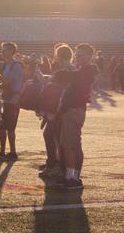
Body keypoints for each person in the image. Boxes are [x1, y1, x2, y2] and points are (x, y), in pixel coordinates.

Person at [57, 43, 99, 189]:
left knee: (72, 144)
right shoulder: (80, 69)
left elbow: (78, 82)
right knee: (66, 144)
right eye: (77, 54)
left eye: (81, 55)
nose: (78, 57)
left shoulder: (88, 69)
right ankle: (69, 175)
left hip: (76, 109)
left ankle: (74, 177)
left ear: (89, 56)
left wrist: (69, 71)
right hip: (70, 109)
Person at [37, 44, 75, 179]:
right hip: (58, 107)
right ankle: (53, 163)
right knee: (52, 136)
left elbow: (60, 86)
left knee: (55, 137)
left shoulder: (68, 69)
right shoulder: (68, 68)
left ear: (59, 56)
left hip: (60, 108)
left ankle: (56, 165)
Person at [0, 42, 23, 162]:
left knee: (10, 128)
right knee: (2, 127)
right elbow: (3, 84)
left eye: (5, 50)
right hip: (5, 98)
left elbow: (8, 81)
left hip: (13, 100)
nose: (3, 53)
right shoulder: (5, 66)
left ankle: (12, 152)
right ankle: (3, 151)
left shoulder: (16, 66)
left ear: (11, 52)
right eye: (2, 50)